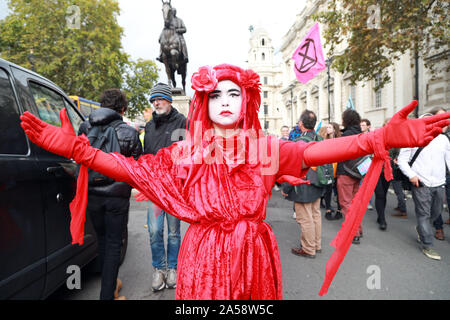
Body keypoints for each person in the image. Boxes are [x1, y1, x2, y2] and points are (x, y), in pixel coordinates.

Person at [20, 63, 450, 299]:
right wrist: (81, 151)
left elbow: (317, 152)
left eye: (233, 94)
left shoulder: (265, 147)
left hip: (254, 257)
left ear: (246, 100)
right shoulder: (185, 151)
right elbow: (135, 170)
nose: (224, 102)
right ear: (204, 105)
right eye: (215, 96)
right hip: (203, 257)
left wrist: (377, 138)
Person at [78, 89, 142, 300]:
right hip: (117, 197)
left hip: (93, 195)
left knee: (103, 241)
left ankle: (112, 284)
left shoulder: (85, 128)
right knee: (115, 244)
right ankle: (107, 295)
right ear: (122, 109)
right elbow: (137, 167)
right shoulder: (130, 132)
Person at [143, 83, 186, 291]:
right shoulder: (149, 126)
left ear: (169, 100)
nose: (156, 103)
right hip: (154, 188)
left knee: (174, 232)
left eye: (159, 99)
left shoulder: (182, 122)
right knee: (154, 230)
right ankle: (159, 268)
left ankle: (173, 269)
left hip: (174, 189)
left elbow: (187, 155)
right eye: (153, 100)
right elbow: (146, 155)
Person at [398, 108, 449, 260]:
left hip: (439, 183)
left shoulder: (444, 139)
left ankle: (422, 229)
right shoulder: (413, 137)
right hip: (421, 182)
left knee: (436, 212)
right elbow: (402, 160)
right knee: (423, 214)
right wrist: (412, 175)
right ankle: (428, 245)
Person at [282, 110, 325, 259]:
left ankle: (308, 248)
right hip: (318, 181)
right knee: (315, 215)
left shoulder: (299, 142)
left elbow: (292, 167)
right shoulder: (320, 138)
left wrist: (286, 188)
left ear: (301, 123)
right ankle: (316, 244)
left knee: (305, 218)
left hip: (303, 183)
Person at [337, 109, 364, 244]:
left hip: (345, 172)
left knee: (345, 203)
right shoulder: (361, 134)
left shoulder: (346, 135)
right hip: (357, 173)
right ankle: (358, 228)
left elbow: (339, 153)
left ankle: (353, 233)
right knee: (355, 203)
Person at [318, 124, 340, 220]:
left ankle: (339, 210)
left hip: (338, 168)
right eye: (326, 127)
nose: (327, 129)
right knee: (328, 190)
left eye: (330, 127)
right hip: (327, 168)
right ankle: (328, 209)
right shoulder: (323, 140)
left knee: (338, 190)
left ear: (334, 129)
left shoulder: (339, 140)